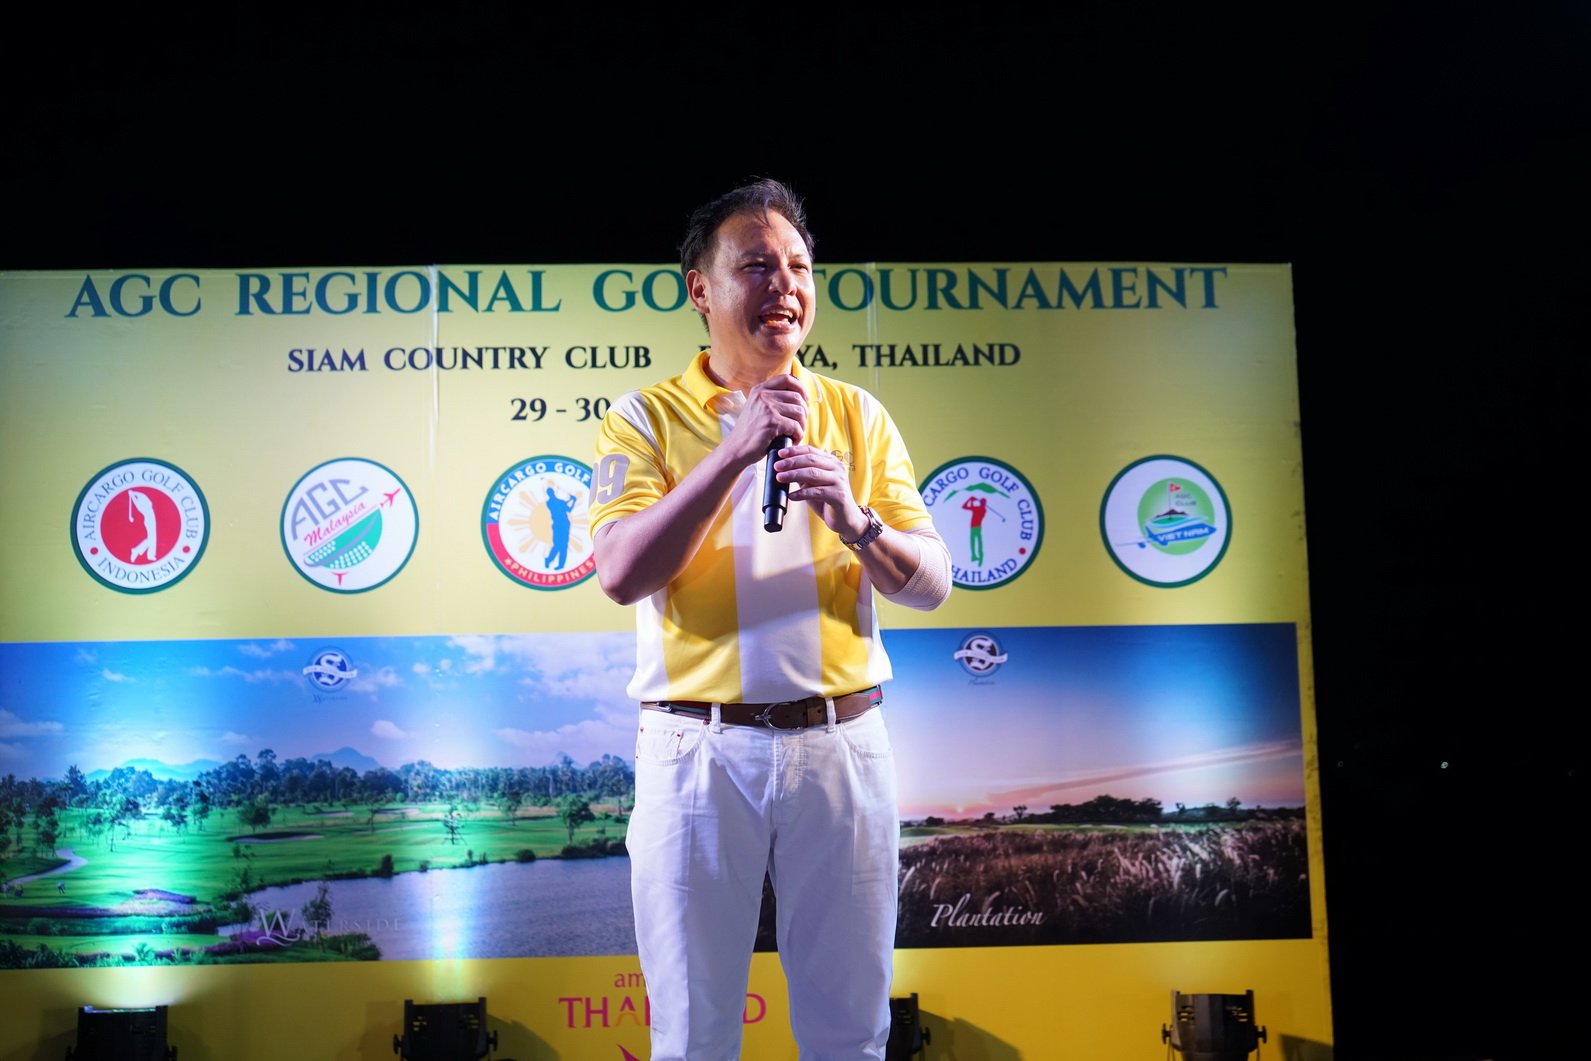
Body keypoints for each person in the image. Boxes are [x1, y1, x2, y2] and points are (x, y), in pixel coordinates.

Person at [590, 179, 951, 1061]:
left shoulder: (857, 414)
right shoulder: (642, 416)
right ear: (700, 287)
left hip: (842, 743)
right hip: (696, 750)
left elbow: (931, 584)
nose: (783, 284)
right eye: (755, 265)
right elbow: (621, 572)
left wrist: (856, 520)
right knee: (691, 1034)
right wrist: (732, 452)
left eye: (798, 266)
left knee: (850, 1032)